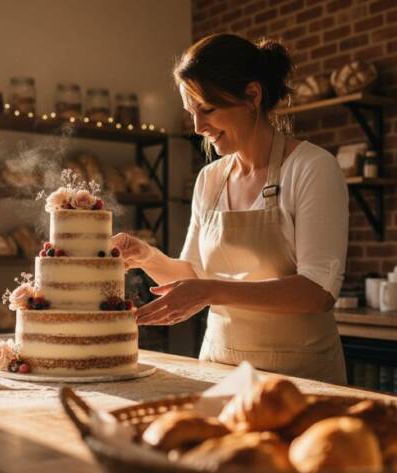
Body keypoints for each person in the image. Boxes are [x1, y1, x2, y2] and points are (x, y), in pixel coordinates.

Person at [111, 33, 349, 384]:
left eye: (207, 109)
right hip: (219, 372)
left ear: (252, 96)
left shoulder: (313, 167)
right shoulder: (210, 179)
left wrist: (212, 290)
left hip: (300, 378)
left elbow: (317, 293)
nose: (197, 127)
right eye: (192, 113)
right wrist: (146, 256)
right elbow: (191, 278)